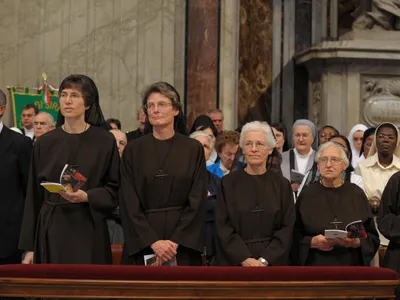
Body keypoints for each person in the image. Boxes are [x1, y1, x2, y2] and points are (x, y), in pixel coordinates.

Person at [19, 74, 120, 264]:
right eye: (64, 94)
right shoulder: (45, 142)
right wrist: (29, 248)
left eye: (74, 95)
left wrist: (88, 196)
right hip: (52, 226)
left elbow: (115, 188)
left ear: (88, 103)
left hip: (89, 225)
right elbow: (33, 196)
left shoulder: (104, 141)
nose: (67, 101)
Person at [120, 82, 207, 266]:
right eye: (150, 106)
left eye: (161, 104)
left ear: (176, 110)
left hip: (182, 244)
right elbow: (128, 200)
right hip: (143, 241)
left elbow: (197, 199)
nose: (155, 110)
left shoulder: (193, 149)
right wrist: (153, 242)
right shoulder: (133, 150)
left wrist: (175, 242)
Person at [215, 121, 294, 266]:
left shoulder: (282, 185)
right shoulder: (228, 183)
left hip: (273, 263)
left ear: (270, 149)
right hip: (236, 262)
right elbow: (223, 226)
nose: (254, 149)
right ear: (242, 149)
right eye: (248, 144)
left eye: (259, 144)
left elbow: (287, 227)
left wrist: (265, 260)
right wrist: (245, 259)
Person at [294, 141, 379, 266]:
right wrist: (311, 242)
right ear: (318, 166)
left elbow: (371, 236)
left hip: (350, 264)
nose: (328, 165)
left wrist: (356, 242)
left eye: (334, 159)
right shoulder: (307, 194)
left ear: (344, 165)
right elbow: (294, 234)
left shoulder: (356, 194)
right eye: (323, 160)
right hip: (316, 264)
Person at [0, 89, 32, 265]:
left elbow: (30, 193)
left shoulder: (20, 144)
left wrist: (29, 243)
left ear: (1, 109)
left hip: (7, 239)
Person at [189, 130, 221, 265]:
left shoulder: (218, 181)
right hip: (186, 245)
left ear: (210, 152)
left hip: (212, 245)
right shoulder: (177, 179)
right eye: (197, 145)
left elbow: (221, 212)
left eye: (205, 146)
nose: (201, 150)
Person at [298, 135, 364, 195]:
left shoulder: (356, 191)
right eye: (324, 159)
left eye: (334, 159)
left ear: (345, 164)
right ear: (318, 164)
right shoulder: (307, 192)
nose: (328, 165)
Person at [281, 119, 319, 193]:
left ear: (313, 138)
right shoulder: (281, 158)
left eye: (305, 135)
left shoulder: (320, 158)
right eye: (297, 135)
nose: (301, 139)